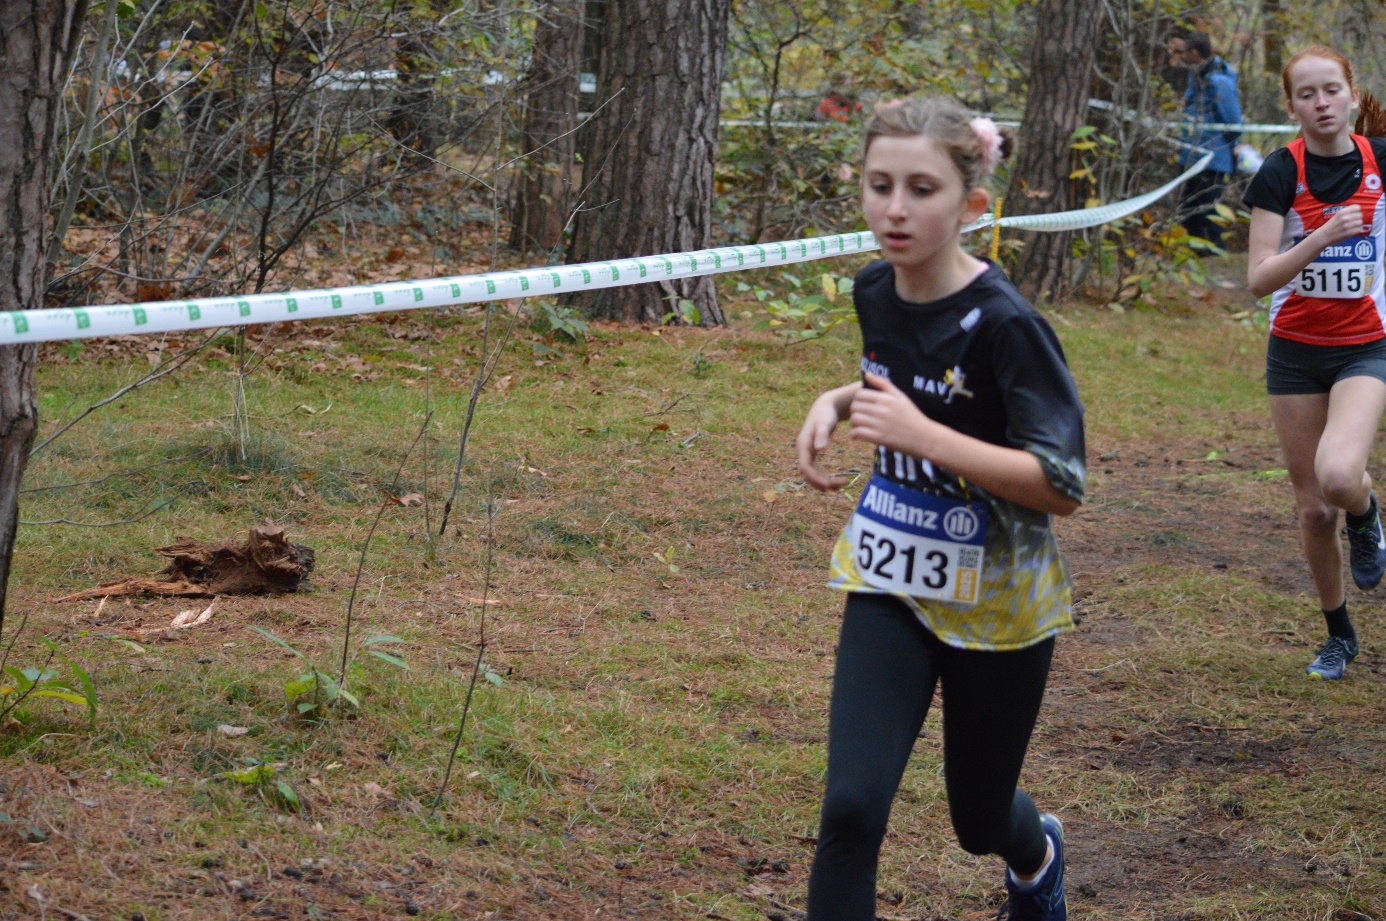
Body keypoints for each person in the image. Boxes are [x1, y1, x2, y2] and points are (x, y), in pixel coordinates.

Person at [795, 97, 1086, 921]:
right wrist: (842, 398)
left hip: (1000, 603)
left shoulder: (1009, 326)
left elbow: (1062, 483)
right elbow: (905, 385)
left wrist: (923, 436)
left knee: (978, 818)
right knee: (850, 808)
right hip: (893, 576)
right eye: (878, 184)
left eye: (921, 188)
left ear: (972, 205)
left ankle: (1037, 856)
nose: (895, 207)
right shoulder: (874, 290)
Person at [1244, 45, 1386, 681]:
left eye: (1332, 90)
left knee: (1338, 477)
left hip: (1365, 345)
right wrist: (1323, 236)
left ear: (1352, 96)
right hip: (1296, 353)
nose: (1322, 103)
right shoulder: (1279, 173)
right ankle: (1339, 634)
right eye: (1308, 94)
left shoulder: (1381, 162)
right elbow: (1257, 279)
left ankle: (1368, 512)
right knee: (1312, 510)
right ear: (1292, 106)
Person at [1176, 31, 1243, 247]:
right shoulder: (1197, 77)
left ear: (1195, 53)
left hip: (1214, 157)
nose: (1181, 56)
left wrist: (1233, 147)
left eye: (1184, 52)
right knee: (1188, 206)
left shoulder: (1219, 81)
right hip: (1192, 154)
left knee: (1208, 206)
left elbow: (1232, 122)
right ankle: (1195, 250)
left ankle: (1215, 251)